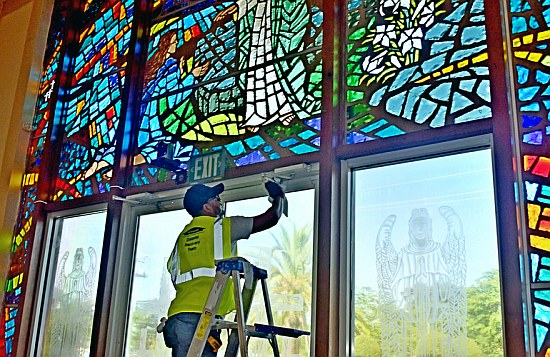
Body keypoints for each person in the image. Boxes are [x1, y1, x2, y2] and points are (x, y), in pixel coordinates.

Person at [162, 181, 285, 357]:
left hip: (178, 318)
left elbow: (172, 271)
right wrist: (278, 197)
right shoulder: (222, 227)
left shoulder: (182, 237)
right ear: (206, 207)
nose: (220, 203)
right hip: (200, 318)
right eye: (216, 199)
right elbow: (270, 218)